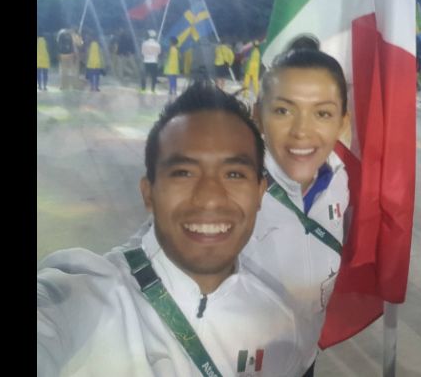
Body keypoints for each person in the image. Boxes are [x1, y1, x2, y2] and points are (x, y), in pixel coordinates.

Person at [37, 81, 302, 376]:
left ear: (260, 193)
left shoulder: (279, 325)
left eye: (234, 173)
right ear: (149, 193)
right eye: (183, 172)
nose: (210, 197)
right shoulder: (84, 298)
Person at [241, 36, 351, 377]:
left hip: (304, 357)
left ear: (342, 123)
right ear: (258, 115)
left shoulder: (338, 180)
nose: (302, 131)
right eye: (284, 110)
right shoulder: (231, 184)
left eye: (322, 113)